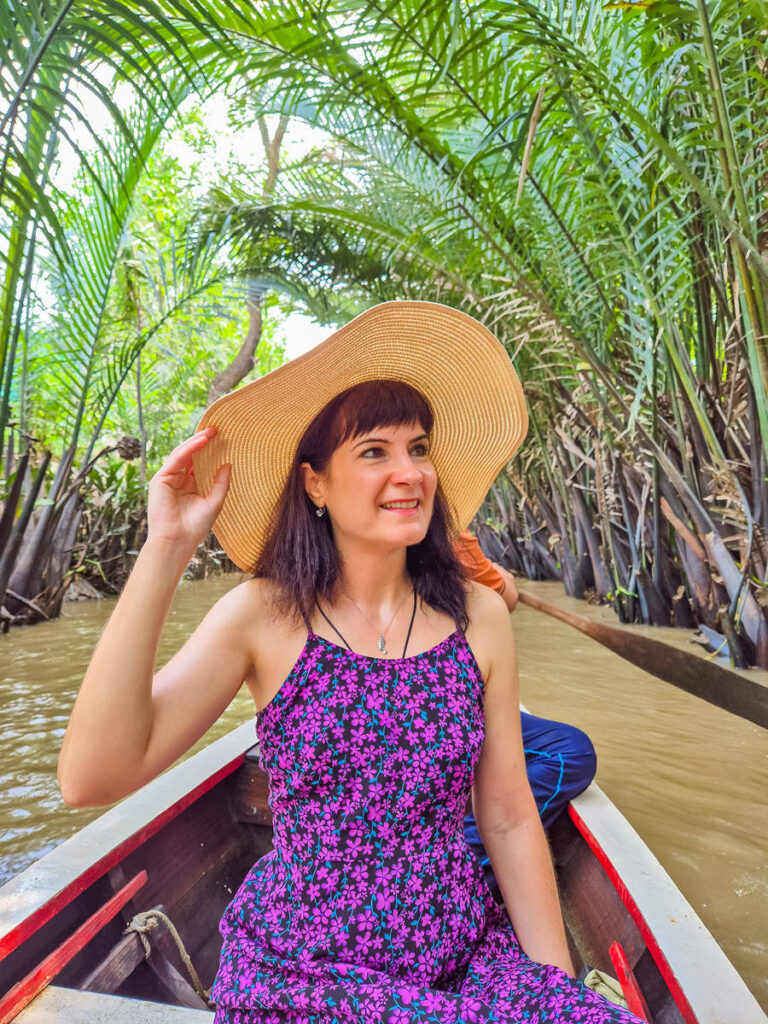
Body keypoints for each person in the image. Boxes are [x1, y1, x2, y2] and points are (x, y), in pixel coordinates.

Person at [58, 301, 642, 1023]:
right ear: (315, 484)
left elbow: (511, 819)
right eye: (374, 452)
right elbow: (92, 775)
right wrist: (166, 549)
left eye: (418, 448)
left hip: (460, 950)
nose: (410, 473)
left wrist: (553, 989)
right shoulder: (265, 616)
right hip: (308, 970)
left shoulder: (477, 615)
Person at [453, 529, 597, 898]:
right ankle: (467, 856)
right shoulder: (445, 522)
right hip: (438, 706)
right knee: (571, 751)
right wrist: (503, 578)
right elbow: (505, 599)